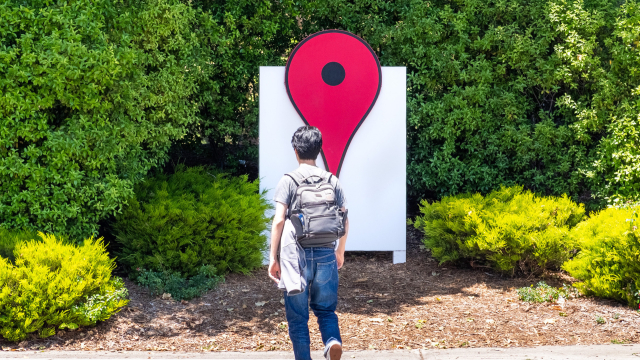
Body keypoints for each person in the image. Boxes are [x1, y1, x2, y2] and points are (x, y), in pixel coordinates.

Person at [268, 125, 349, 360]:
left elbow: (279, 220)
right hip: (325, 254)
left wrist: (273, 258)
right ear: (319, 150)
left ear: (295, 151)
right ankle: (332, 341)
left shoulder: (289, 181)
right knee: (325, 311)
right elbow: (344, 219)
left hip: (296, 258)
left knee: (297, 319)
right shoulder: (332, 181)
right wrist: (340, 252)